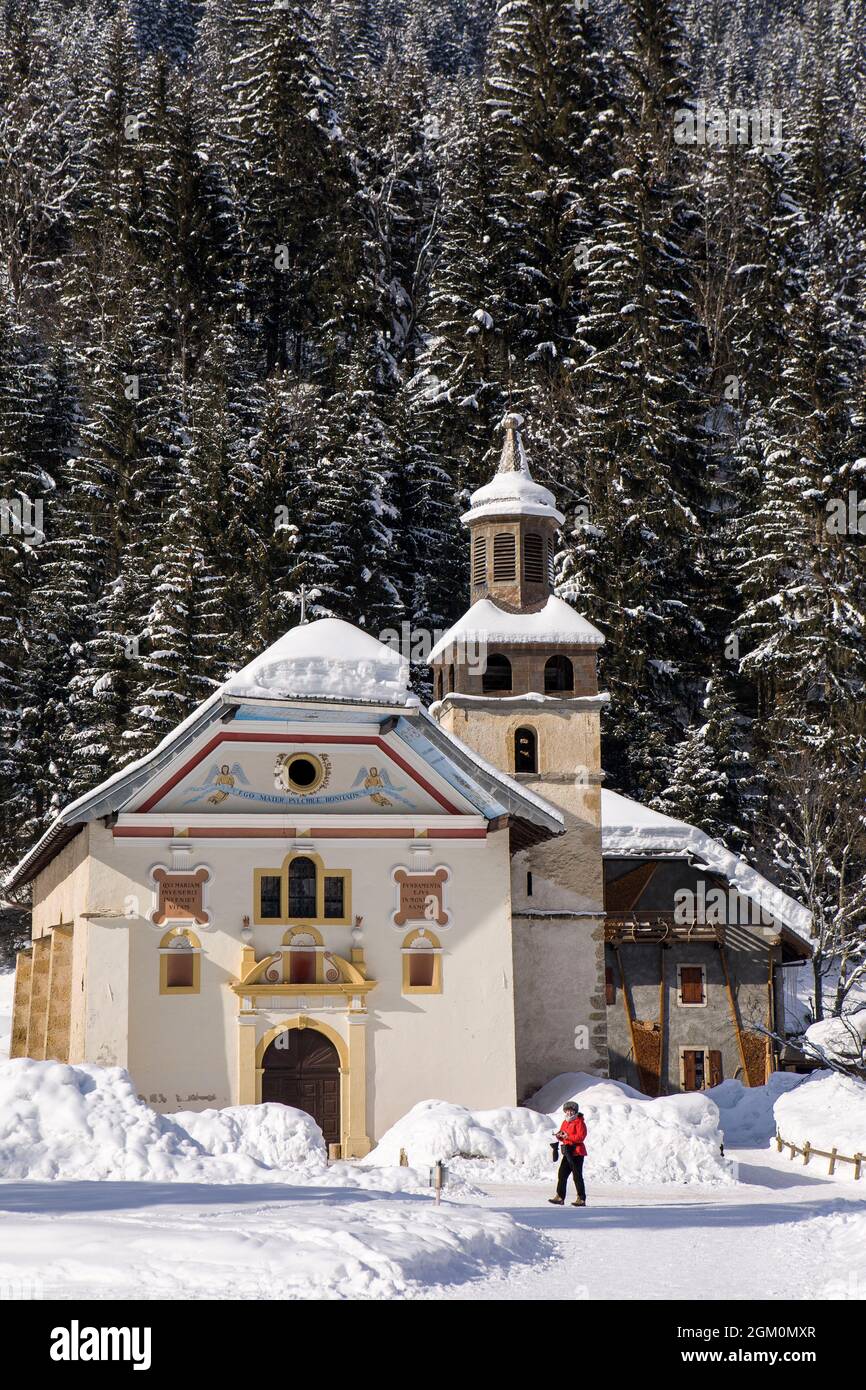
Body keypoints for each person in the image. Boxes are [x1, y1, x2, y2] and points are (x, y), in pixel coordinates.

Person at [548, 1101, 587, 1207]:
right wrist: (559, 1135)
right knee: (562, 1174)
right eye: (567, 1110)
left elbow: (580, 1137)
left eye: (571, 1110)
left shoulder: (580, 1122)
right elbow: (563, 1135)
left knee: (577, 1176)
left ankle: (581, 1198)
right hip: (567, 1151)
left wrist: (567, 1136)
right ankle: (560, 1197)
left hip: (577, 1153)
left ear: (575, 1111)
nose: (568, 1113)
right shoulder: (565, 1122)